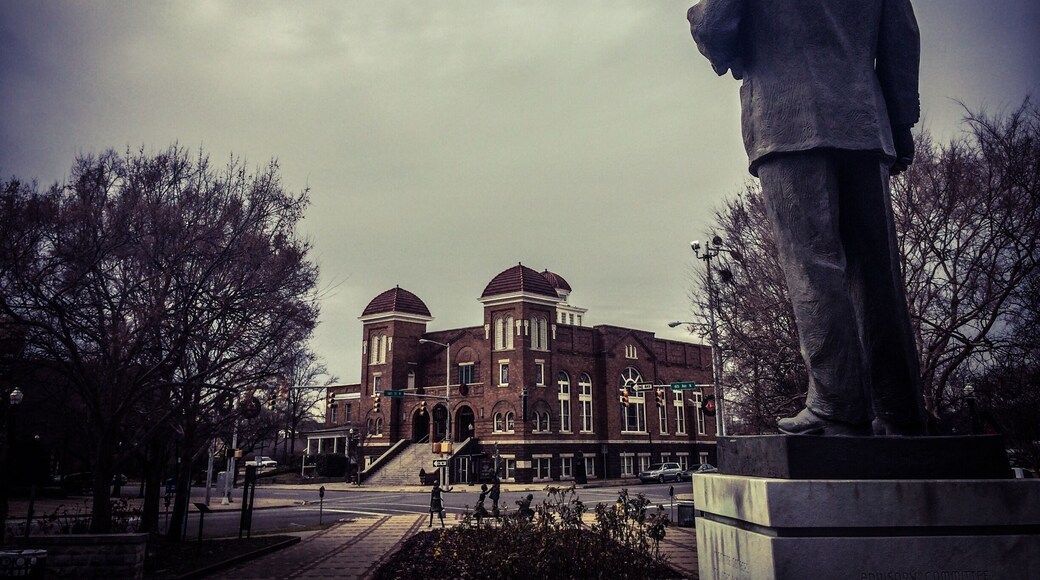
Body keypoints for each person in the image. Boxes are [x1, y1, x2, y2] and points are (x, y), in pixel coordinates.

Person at [687, 0, 928, 436]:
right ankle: (900, 410)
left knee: (811, 265)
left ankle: (837, 404)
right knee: (878, 273)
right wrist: (899, 124)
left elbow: (715, 25)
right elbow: (901, 39)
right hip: (864, 122)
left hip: (788, 118)